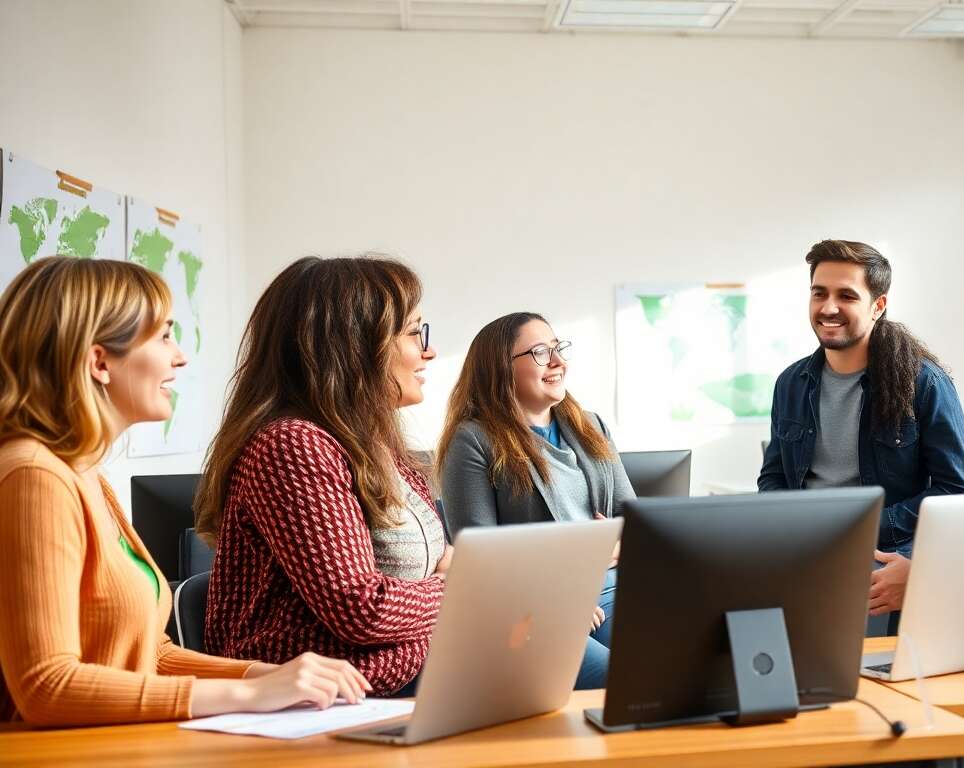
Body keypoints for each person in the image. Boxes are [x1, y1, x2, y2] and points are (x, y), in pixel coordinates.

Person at [0, 257, 368, 726]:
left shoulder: (85, 474)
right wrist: (248, 697)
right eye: (163, 336)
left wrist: (264, 676)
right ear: (99, 361)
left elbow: (151, 655)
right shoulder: (35, 476)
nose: (180, 356)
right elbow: (46, 687)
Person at [195, 255, 448, 697]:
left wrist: (528, 594)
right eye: (413, 333)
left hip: (409, 667)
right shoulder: (291, 446)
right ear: (355, 347)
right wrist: (476, 599)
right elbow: (360, 608)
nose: (429, 351)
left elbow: (441, 559)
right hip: (325, 696)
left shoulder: (378, 443)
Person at [759, 239, 964, 633]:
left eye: (846, 296)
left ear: (878, 306)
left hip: (883, 552)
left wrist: (860, 527)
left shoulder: (923, 382)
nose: (828, 308)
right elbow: (773, 478)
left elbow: (957, 489)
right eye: (819, 293)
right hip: (804, 550)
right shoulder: (791, 383)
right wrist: (792, 525)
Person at [436, 312, 631, 689]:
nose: (558, 362)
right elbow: (479, 559)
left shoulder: (591, 426)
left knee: (676, 659)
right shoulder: (473, 440)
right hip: (535, 605)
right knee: (623, 678)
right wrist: (561, 588)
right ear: (500, 368)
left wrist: (611, 543)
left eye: (558, 348)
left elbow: (632, 518)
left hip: (613, 587)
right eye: (541, 352)